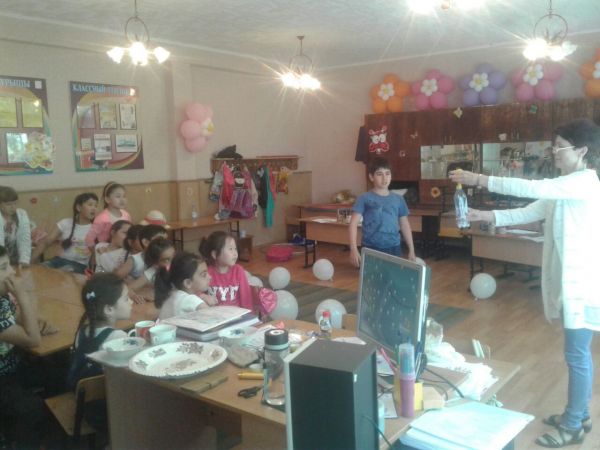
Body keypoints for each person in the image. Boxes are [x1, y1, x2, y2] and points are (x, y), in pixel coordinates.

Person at [449, 118, 600, 448]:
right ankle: (580, 414)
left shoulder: (584, 182)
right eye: (554, 146)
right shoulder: (565, 186)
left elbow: (532, 188)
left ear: (582, 151)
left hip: (584, 286)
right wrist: (486, 216)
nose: (554, 152)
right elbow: (529, 211)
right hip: (574, 285)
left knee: (577, 355)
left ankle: (573, 424)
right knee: (578, 354)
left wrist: (480, 179)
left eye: (560, 147)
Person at [66, 273, 132, 441]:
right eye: (126, 299)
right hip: (108, 413)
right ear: (109, 309)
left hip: (85, 408)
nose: (131, 302)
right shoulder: (117, 338)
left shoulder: (82, 331)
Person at [0, 245, 47, 449]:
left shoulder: (2, 297)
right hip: (3, 377)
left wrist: (37, 322)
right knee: (31, 408)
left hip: (13, 367)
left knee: (56, 370)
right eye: (3, 267)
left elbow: (17, 317)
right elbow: (33, 340)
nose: (12, 272)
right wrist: (22, 295)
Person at [349, 157, 416, 267]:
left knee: (392, 276)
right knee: (371, 277)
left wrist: (411, 249)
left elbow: (404, 225)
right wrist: (353, 249)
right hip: (370, 247)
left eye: (387, 173)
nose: (384, 178)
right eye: (379, 174)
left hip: (394, 247)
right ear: (371, 177)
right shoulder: (364, 198)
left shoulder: (398, 199)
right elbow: (353, 224)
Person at [31, 192, 98, 274]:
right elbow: (46, 242)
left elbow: (96, 254)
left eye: (96, 206)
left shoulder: (96, 228)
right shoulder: (65, 223)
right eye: (90, 205)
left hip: (80, 266)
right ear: (79, 207)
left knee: (65, 270)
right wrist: (29, 262)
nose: (94, 208)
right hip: (59, 260)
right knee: (42, 267)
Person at [199, 231, 253, 309]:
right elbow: (194, 292)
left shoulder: (238, 271)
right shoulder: (207, 272)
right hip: (215, 314)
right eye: (230, 249)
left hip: (236, 314)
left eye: (235, 249)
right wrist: (202, 296)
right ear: (215, 254)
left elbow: (246, 297)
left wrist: (249, 315)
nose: (235, 253)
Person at [155, 252, 216, 320]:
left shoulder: (173, 294)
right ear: (188, 283)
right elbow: (214, 317)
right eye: (204, 275)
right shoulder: (189, 299)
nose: (210, 277)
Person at [127, 237, 175, 302]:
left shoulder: (181, 267)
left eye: (174, 256)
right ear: (156, 263)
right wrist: (134, 296)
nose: (173, 262)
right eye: (166, 260)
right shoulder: (153, 270)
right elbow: (128, 289)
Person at [85, 182, 131, 248]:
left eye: (124, 196)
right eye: (118, 196)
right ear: (107, 199)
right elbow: (89, 239)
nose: (122, 199)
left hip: (124, 249)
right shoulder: (101, 219)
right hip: (107, 250)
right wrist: (95, 251)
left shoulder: (126, 215)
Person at [0, 186, 32, 267]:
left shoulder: (21, 215)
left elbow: (24, 239)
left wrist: (24, 260)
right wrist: (3, 264)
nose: (13, 207)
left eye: (15, 203)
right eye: (8, 204)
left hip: (15, 259)